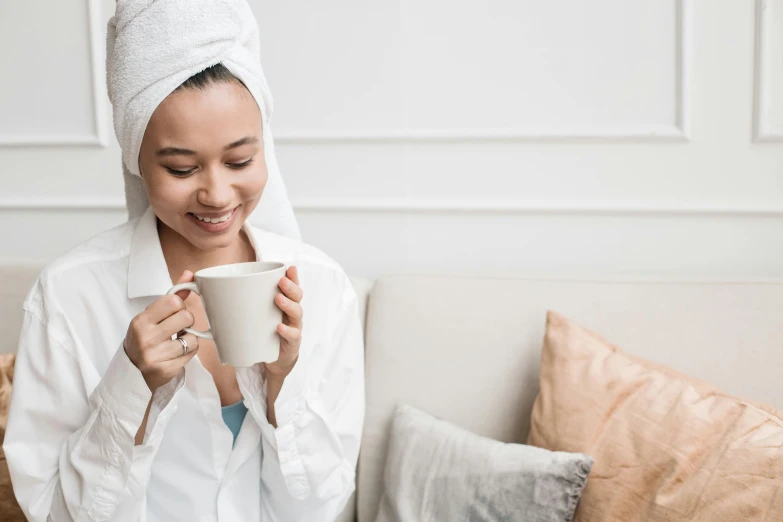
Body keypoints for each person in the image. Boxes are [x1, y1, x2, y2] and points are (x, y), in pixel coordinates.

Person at [2, 1, 365, 521]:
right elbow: (54, 513)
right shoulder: (67, 297)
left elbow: (317, 509)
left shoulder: (324, 288)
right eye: (180, 167)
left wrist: (283, 384)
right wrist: (131, 388)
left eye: (240, 160)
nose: (217, 195)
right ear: (136, 158)